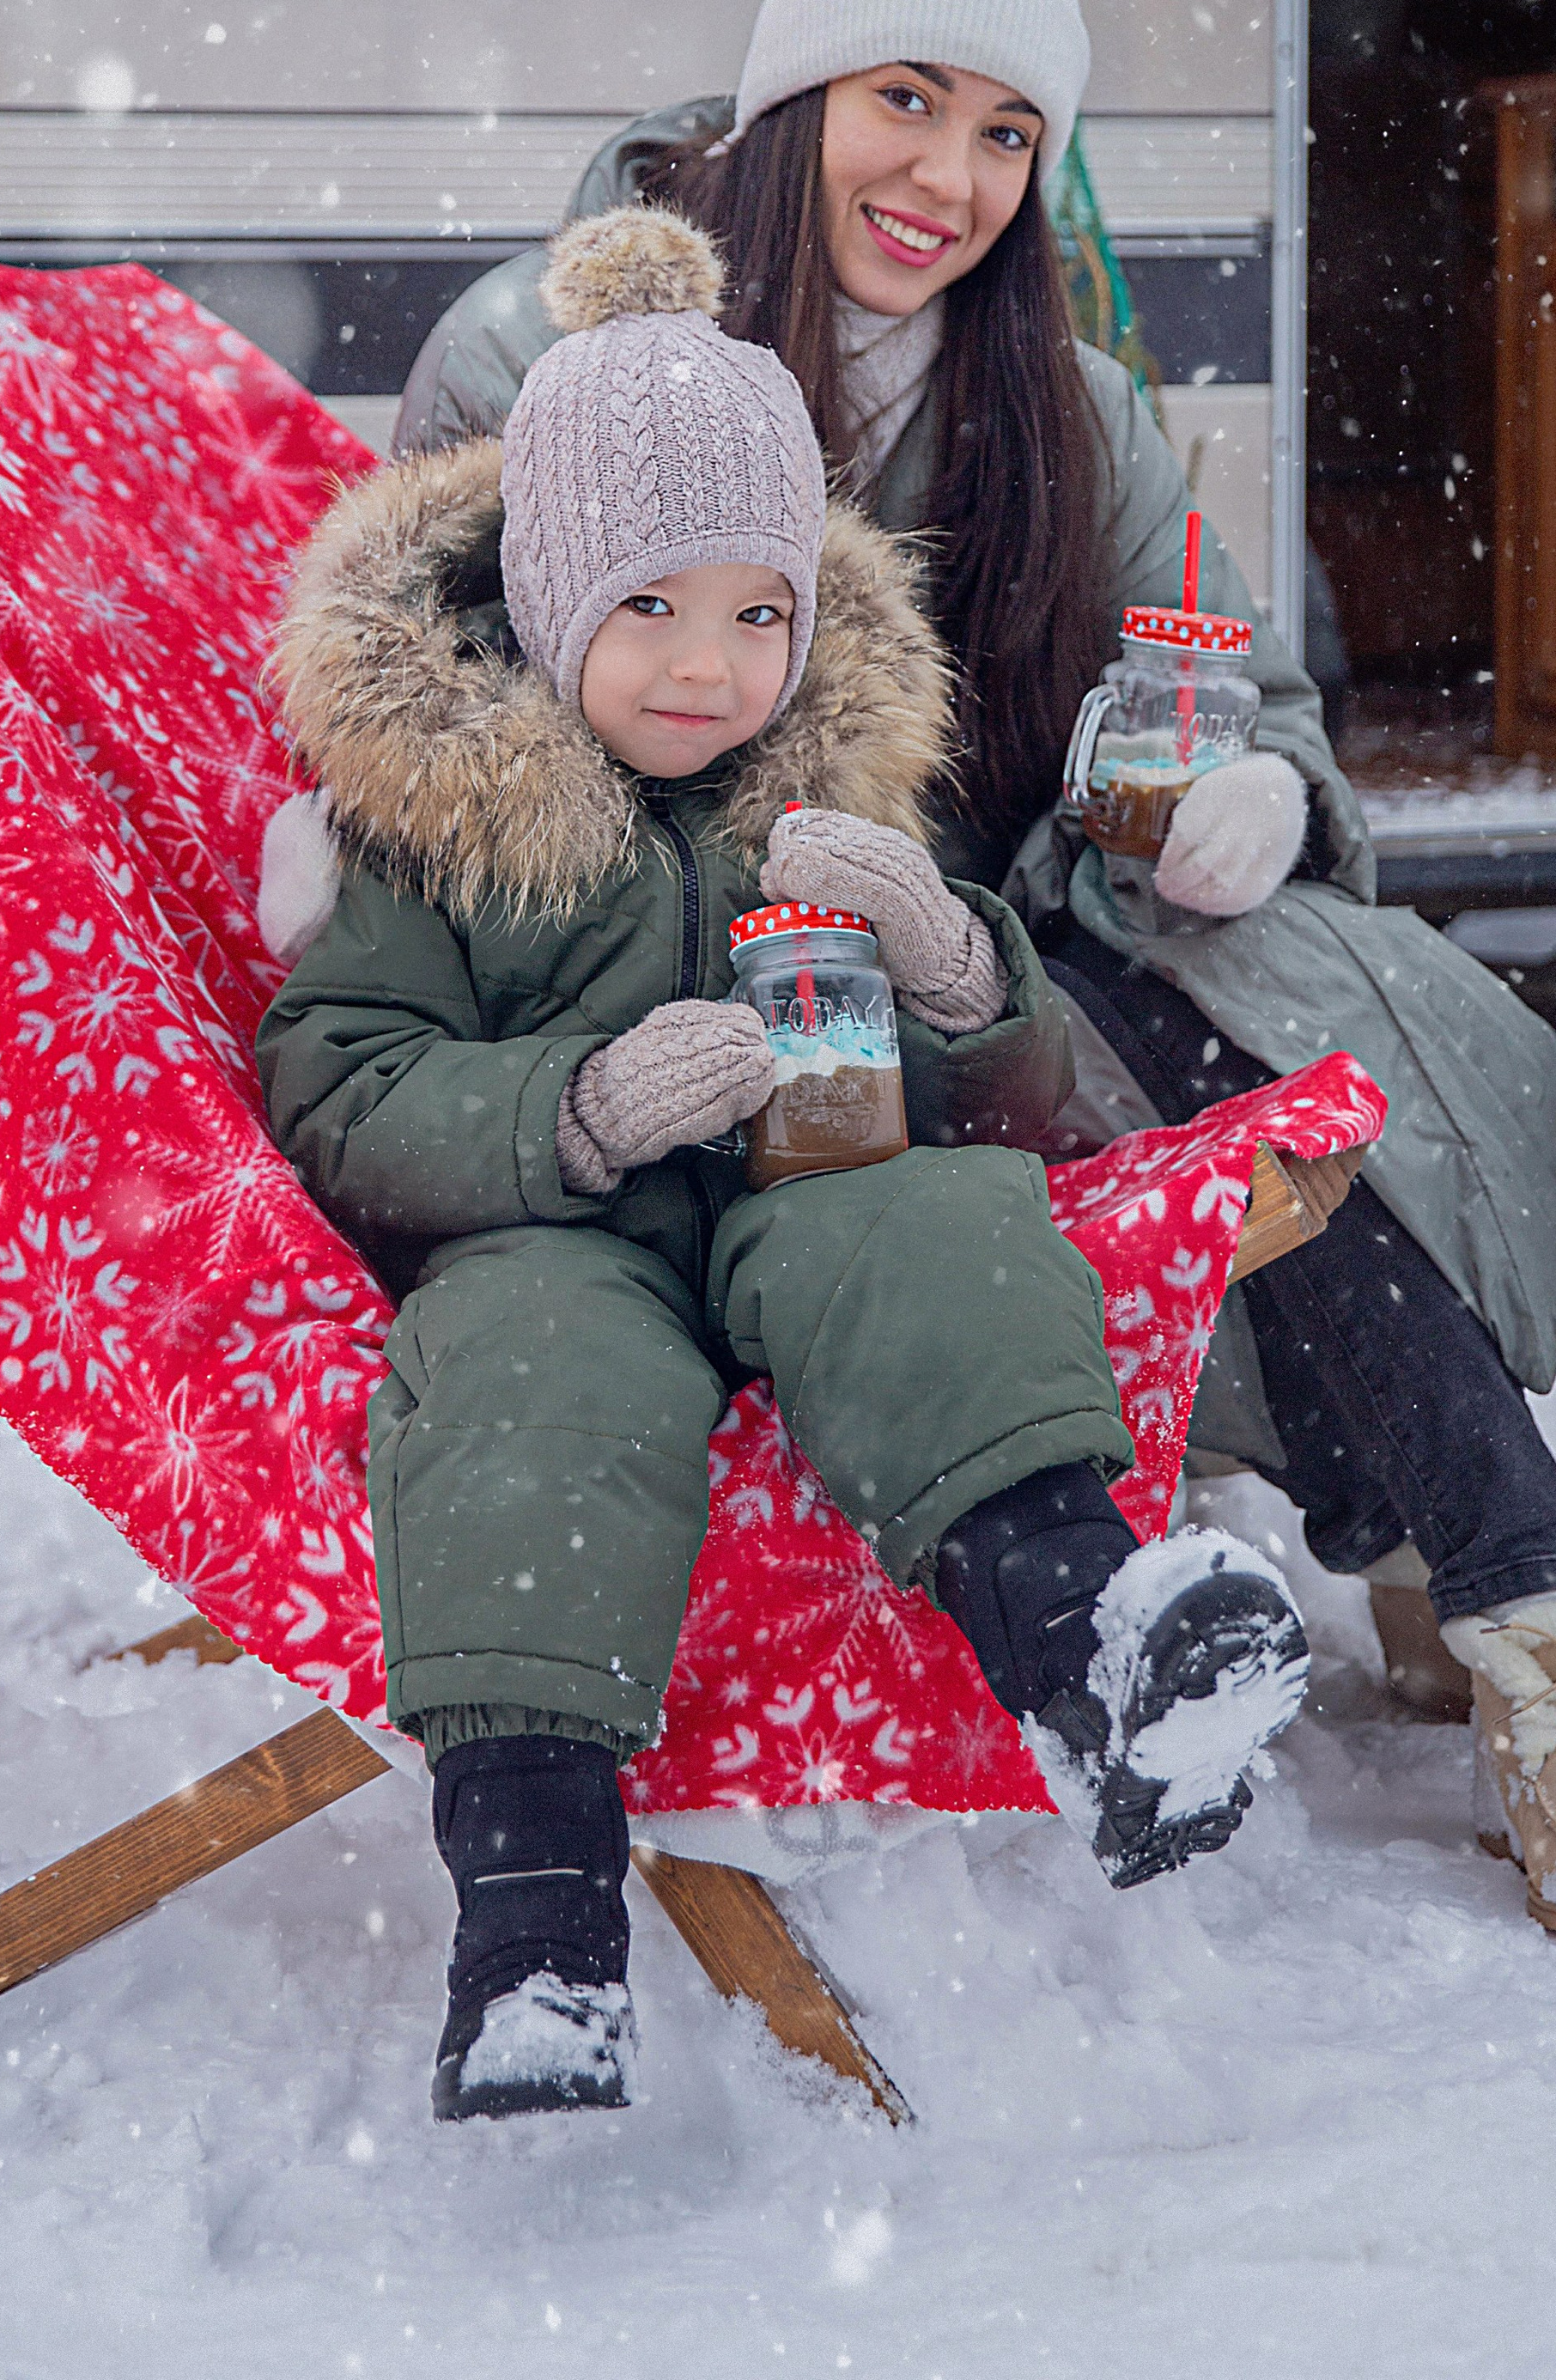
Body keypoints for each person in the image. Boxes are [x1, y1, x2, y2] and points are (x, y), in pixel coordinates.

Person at [382, 0, 1556, 1942]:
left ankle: (1532, 1624)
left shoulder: (1068, 405)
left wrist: (1238, 801)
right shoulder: (542, 359)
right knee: (1193, 1085)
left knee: (1280, 1050)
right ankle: (1462, 1561)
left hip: (991, 959)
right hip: (686, 1008)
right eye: (904, 96)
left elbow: (1245, 693)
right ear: (796, 91)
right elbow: (425, 722)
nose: (947, 176)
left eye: (1007, 129)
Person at [256, 207, 1310, 2121]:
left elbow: (1003, 1104)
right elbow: (337, 1088)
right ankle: (535, 1914)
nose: (706, 668)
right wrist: (568, 1110)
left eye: (758, 613)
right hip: (549, 1232)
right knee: (530, 1385)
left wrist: (948, 955)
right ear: (555, 596)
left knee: (945, 1221)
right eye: (648, 609)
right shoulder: (427, 820)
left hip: (805, 1189)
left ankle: (1092, 1652)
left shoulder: (823, 780)